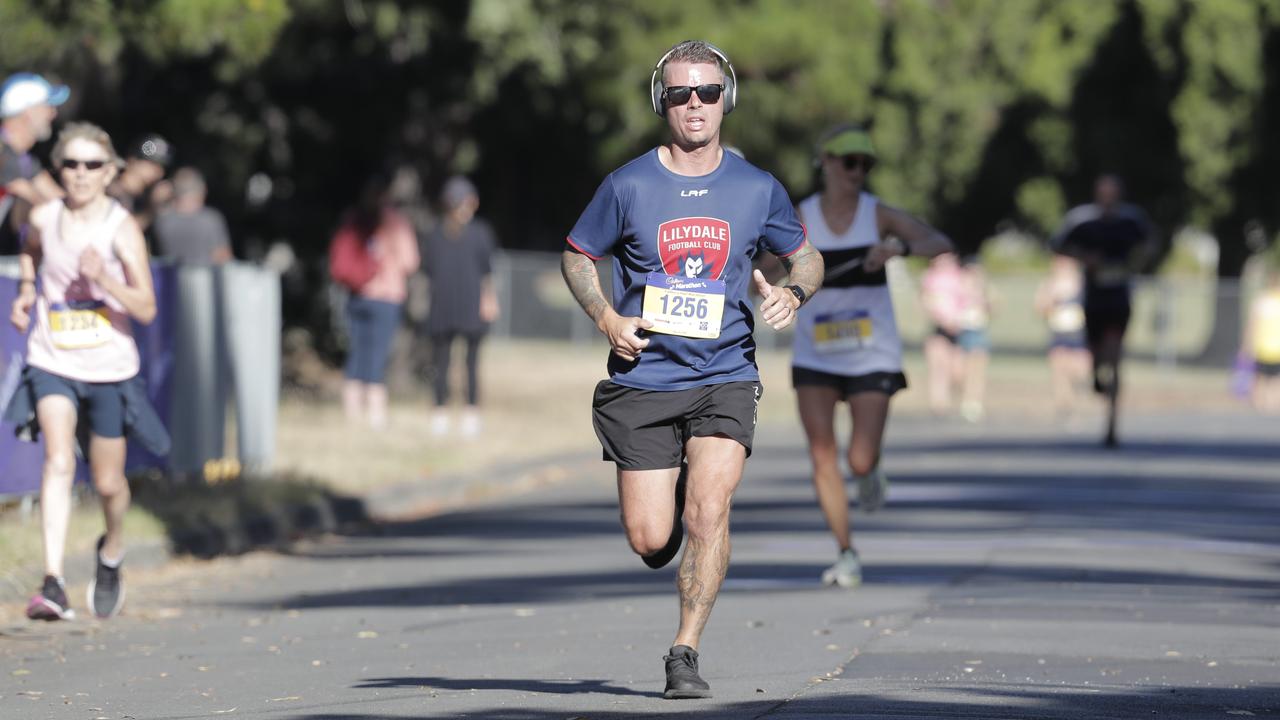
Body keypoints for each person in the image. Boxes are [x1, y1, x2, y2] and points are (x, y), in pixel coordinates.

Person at [562, 40, 824, 699]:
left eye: (708, 91)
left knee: (710, 509)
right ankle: (669, 512)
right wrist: (606, 318)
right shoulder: (627, 185)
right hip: (644, 380)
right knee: (652, 540)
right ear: (662, 102)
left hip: (724, 375)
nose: (696, 104)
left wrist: (794, 293)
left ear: (726, 97)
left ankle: (685, 651)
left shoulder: (756, 187)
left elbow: (807, 257)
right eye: (681, 94)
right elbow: (575, 254)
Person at [3, 122, 168, 621]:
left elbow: (146, 308)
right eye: (70, 164)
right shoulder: (47, 217)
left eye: (91, 165)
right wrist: (29, 290)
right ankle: (53, 582)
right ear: (60, 169)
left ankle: (111, 549)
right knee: (57, 461)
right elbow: (31, 252)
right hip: (53, 359)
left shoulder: (121, 228)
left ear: (109, 171)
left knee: (110, 482)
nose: (79, 174)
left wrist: (104, 281)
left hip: (109, 368)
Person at [789, 123, 952, 589]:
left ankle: (871, 466)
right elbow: (760, 259)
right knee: (822, 455)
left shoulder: (876, 214)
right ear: (826, 162)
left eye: (866, 164)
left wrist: (899, 248)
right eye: (849, 162)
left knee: (857, 460)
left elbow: (939, 242)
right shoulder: (801, 217)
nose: (857, 172)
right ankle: (846, 552)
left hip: (871, 354)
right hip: (815, 351)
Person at [1052, 174, 1155, 447]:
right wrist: (1085, 258)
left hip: (1119, 298)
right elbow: (1058, 245)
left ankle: (1112, 424)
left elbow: (1150, 244)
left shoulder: (1132, 220)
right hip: (1094, 299)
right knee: (1097, 355)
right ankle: (1098, 374)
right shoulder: (1083, 220)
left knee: (1116, 355)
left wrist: (1135, 263)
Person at [328, 173, 419, 429]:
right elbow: (410, 262)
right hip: (385, 298)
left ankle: (352, 412)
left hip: (357, 295)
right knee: (377, 355)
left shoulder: (354, 220)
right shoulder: (396, 224)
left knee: (357, 352)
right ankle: (375, 414)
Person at [420, 176, 499, 437]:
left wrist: (488, 300)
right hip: (443, 305)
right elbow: (428, 270)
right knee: (440, 363)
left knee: (471, 363)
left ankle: (471, 412)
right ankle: (440, 411)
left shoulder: (480, 233)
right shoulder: (435, 235)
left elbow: (487, 273)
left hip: (471, 306)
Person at [1, 73, 68, 255]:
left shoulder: (26, 160)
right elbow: (35, 202)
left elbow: (62, 201)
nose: (53, 114)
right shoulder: (3, 153)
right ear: (28, 112)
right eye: (48, 106)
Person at [1035, 254, 1091, 418]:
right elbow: (1040, 307)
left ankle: (1077, 396)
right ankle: (1064, 404)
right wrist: (1051, 299)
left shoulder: (1082, 282)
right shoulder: (1049, 284)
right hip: (1058, 330)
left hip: (1078, 331)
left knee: (1080, 368)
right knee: (1058, 367)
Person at [152, 167, 233, 266]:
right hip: (205, 277)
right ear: (202, 190)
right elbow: (222, 256)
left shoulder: (162, 219)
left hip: (172, 276)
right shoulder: (211, 219)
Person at [920, 252, 965, 416]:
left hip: (958, 328)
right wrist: (940, 319)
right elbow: (925, 301)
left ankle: (956, 397)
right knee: (938, 367)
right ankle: (938, 403)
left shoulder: (960, 277)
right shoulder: (930, 278)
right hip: (939, 328)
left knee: (956, 371)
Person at [107, 133, 173, 232]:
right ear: (132, 161)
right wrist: (152, 209)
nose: (158, 171)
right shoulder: (112, 193)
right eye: (152, 164)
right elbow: (122, 231)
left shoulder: (144, 196)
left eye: (161, 167)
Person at [954, 255, 993, 422]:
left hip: (977, 330)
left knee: (977, 369)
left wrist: (982, 298)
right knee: (959, 370)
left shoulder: (983, 290)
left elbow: (993, 308)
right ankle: (964, 397)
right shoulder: (957, 289)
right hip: (961, 331)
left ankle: (974, 401)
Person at [1242, 269, 1280, 413]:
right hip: (1267, 347)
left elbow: (1252, 324)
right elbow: (1253, 324)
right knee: (1268, 378)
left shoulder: (1262, 301)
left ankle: (1266, 404)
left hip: (1269, 347)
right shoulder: (1263, 301)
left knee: (1266, 378)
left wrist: (1247, 344)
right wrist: (1248, 344)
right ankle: (1267, 404)